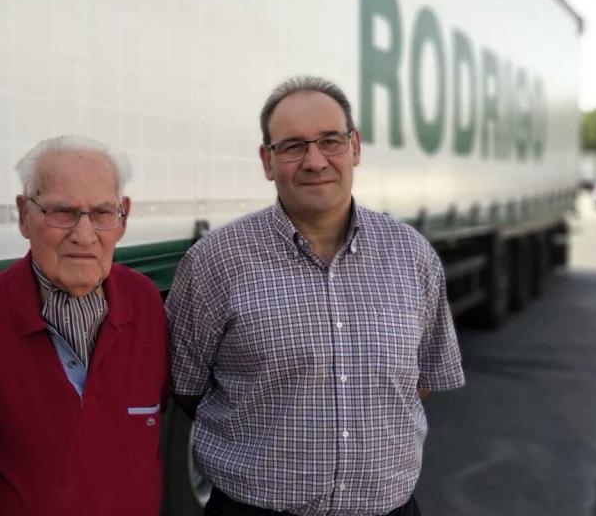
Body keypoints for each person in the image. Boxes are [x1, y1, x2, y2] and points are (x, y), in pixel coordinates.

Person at [166, 76, 465, 516]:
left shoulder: (412, 255)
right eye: (292, 146)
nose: (314, 161)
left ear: (355, 147)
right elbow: (186, 387)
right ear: (267, 161)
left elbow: (417, 382)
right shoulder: (215, 261)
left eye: (330, 141)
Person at [0, 135, 167, 516]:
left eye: (102, 213)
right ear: (25, 216)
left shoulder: (146, 305)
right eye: (62, 212)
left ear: (123, 216)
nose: (84, 234)